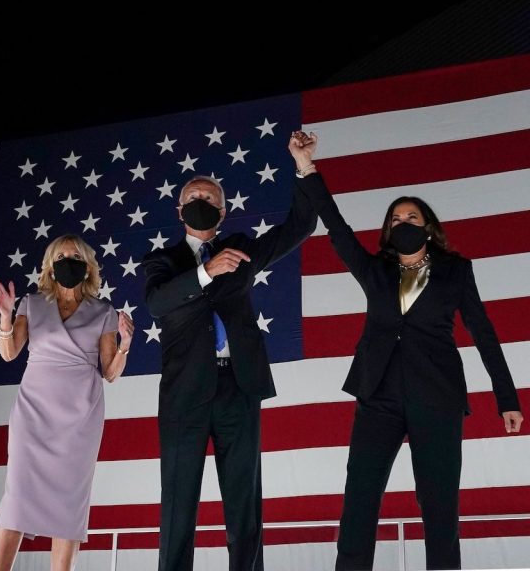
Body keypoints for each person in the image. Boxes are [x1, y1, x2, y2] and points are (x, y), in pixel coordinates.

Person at [292, 131, 524, 570]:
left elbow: (484, 333)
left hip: (437, 398)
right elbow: (337, 228)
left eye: (411, 216)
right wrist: (308, 168)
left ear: (428, 226)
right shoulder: (374, 270)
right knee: (359, 501)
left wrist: (506, 398)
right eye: (395, 219)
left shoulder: (456, 271)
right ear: (388, 230)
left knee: (439, 509)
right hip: (377, 396)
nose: (402, 223)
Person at [143, 135, 318, 571]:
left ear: (222, 212)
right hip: (185, 395)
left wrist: (303, 166)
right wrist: (204, 272)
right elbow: (157, 304)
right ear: (179, 211)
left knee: (244, 505)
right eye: (192, 197)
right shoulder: (161, 262)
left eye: (209, 197)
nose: (200, 200)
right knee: (178, 505)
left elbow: (300, 226)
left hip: (239, 386)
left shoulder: (239, 250)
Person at [0, 234, 135, 571]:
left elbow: (110, 372)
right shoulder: (31, 303)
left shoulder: (103, 311)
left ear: (87, 267)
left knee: (70, 501)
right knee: (17, 496)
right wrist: (5, 317)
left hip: (79, 418)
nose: (68, 260)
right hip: (34, 413)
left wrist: (125, 343)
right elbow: (9, 354)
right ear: (50, 268)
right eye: (61, 255)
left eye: (76, 255)